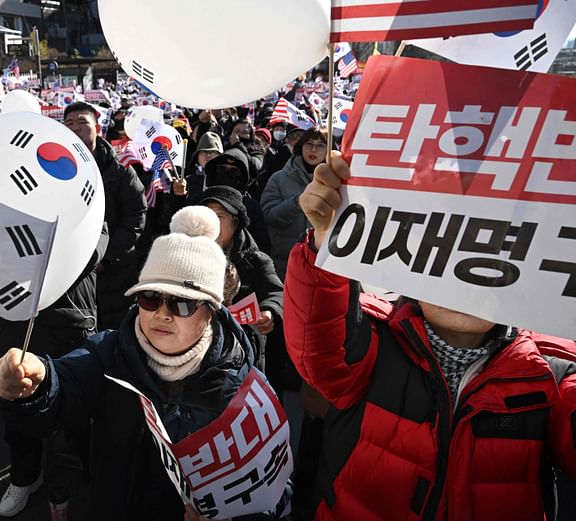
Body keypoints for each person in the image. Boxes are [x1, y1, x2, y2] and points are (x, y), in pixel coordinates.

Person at [283, 151, 576, 520]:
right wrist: (328, 248)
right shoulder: (373, 343)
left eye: (485, 252)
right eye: (447, 248)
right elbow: (319, 349)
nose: (461, 281)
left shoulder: (549, 374)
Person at [0, 207, 290, 521]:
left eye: (181, 303)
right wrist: (36, 384)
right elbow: (65, 385)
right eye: (149, 297)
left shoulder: (244, 387)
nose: (162, 313)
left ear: (211, 312)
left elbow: (273, 489)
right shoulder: (109, 351)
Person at [0, 224, 108, 518]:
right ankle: (25, 477)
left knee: (79, 410)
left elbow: (97, 242)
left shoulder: (82, 194)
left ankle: (92, 475)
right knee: (19, 404)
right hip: (18, 321)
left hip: (71, 323)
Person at [64, 101, 146, 329]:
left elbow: (136, 216)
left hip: (117, 271)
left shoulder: (120, 170)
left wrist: (106, 257)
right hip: (74, 271)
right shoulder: (52, 169)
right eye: (69, 123)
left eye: (82, 122)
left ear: (97, 128)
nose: (75, 128)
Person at [199, 186, 283, 370]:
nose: (212, 222)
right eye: (207, 215)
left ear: (236, 222)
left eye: (219, 217)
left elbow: (276, 292)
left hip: (242, 347)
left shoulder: (255, 260)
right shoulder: (190, 254)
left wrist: (268, 311)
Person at [260, 128, 328, 280]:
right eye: (309, 143)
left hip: (325, 266)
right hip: (285, 265)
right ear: (300, 147)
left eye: (321, 145)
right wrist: (297, 202)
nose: (314, 149)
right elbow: (269, 216)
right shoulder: (279, 178)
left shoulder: (338, 183)